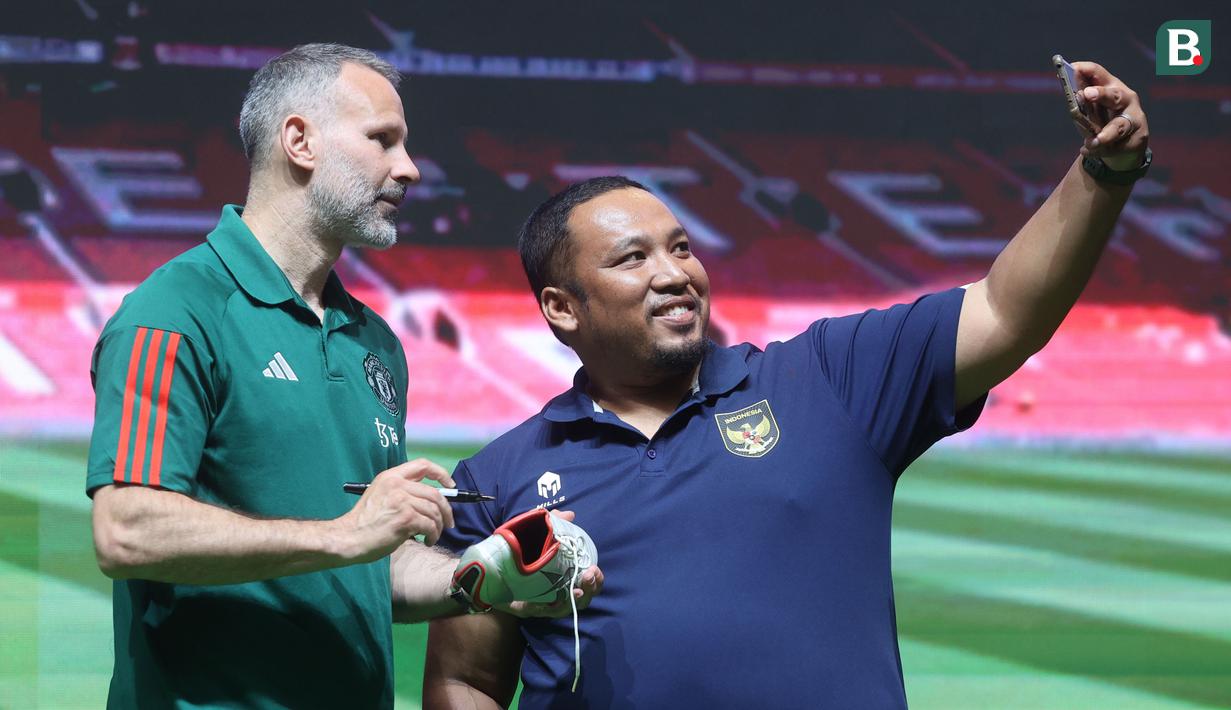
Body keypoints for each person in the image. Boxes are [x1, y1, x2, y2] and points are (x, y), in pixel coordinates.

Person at [423, 60, 1151, 708]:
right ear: (561, 307)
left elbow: (1001, 311)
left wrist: (1102, 174)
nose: (674, 272)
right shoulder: (498, 477)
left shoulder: (830, 376)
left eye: (680, 247)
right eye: (632, 258)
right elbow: (465, 683)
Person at [86, 43, 601, 709]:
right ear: (299, 141)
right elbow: (127, 529)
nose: (409, 168)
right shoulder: (176, 311)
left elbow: (370, 567)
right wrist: (346, 533)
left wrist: (482, 577)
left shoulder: (375, 342)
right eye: (381, 140)